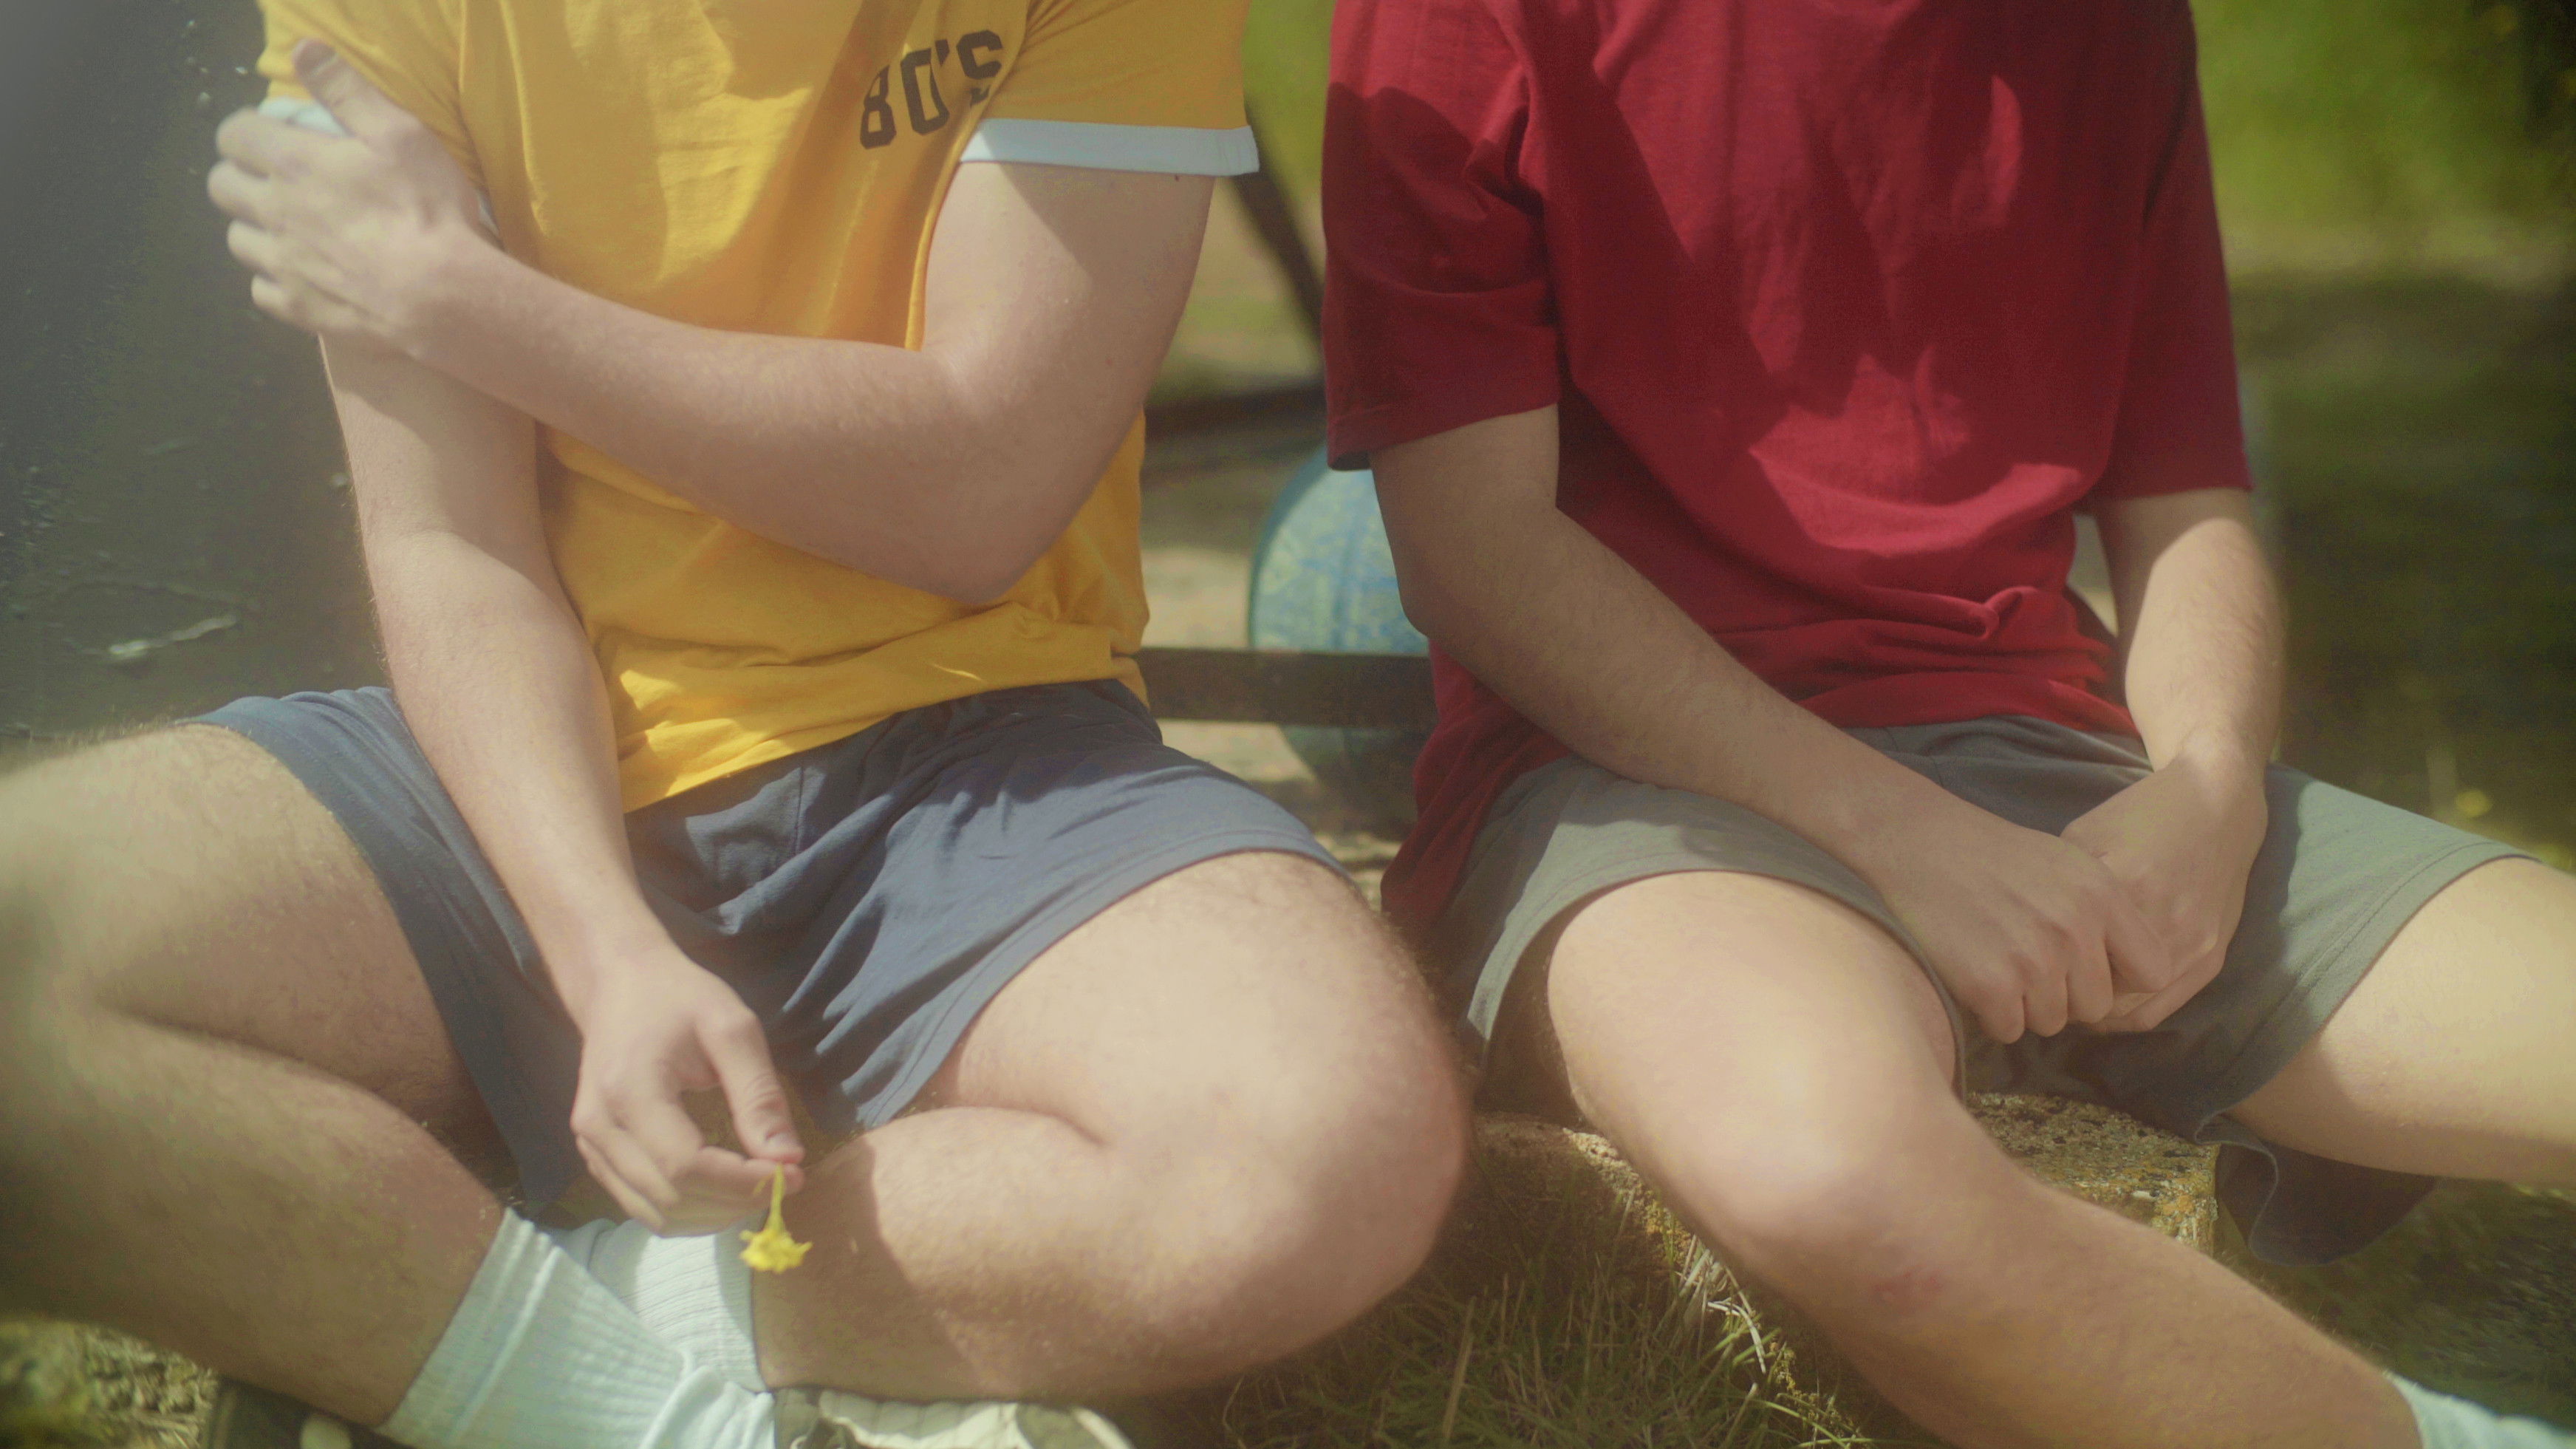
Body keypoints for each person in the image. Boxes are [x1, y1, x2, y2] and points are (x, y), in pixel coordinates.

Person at [0, 2, 1469, 1446]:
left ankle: (488, 1320)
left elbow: (979, 490)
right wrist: (604, 950)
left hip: (988, 755)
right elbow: (456, 551)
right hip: (518, 763)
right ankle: (643, 1411)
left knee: (1326, 1154)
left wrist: (463, 301)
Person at [1322, 0, 2576, 1445]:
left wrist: (2215, 787)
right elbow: (1473, 547)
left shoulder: (2115, 28)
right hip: (1629, 794)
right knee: (1837, 1180)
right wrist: (1906, 841)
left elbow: (2185, 504)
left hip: (2051, 761)